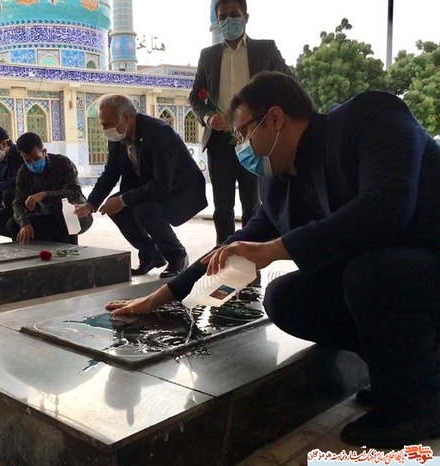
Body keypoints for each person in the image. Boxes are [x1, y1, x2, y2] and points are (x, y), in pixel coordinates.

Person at [106, 72, 440, 448]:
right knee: (286, 298)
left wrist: (273, 249)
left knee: (371, 274)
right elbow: (235, 245)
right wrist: (159, 297)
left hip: (424, 262)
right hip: (388, 279)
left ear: (275, 118)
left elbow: (384, 210)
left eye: (242, 133)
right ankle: (400, 372)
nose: (241, 147)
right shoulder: (279, 182)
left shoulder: (370, 118)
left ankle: (418, 406)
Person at [189, 0, 290, 245]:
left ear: (246, 17)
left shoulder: (266, 50)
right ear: (217, 22)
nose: (228, 21)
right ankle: (223, 256)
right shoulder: (208, 56)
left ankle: (249, 256)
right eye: (222, 17)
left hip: (255, 138)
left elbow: (288, 83)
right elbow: (195, 97)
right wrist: (208, 117)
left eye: (234, 14)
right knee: (222, 207)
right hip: (219, 141)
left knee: (252, 204)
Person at [75, 95, 207, 278]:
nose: (105, 129)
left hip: (180, 189)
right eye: (103, 124)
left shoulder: (159, 133)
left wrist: (123, 199)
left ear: (126, 118)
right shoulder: (118, 136)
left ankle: (177, 255)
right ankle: (151, 254)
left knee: (144, 210)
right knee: (115, 207)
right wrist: (90, 204)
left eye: (108, 124)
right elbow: (111, 172)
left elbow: (162, 184)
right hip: (151, 185)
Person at [8, 132, 92, 245]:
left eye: (36, 158)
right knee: (13, 224)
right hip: (46, 215)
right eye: (28, 161)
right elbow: (17, 202)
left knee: (64, 211)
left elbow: (74, 192)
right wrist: (24, 223)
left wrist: (44, 195)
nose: (33, 163)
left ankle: (70, 251)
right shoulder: (24, 171)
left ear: (44, 152)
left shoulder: (63, 163)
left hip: (76, 213)